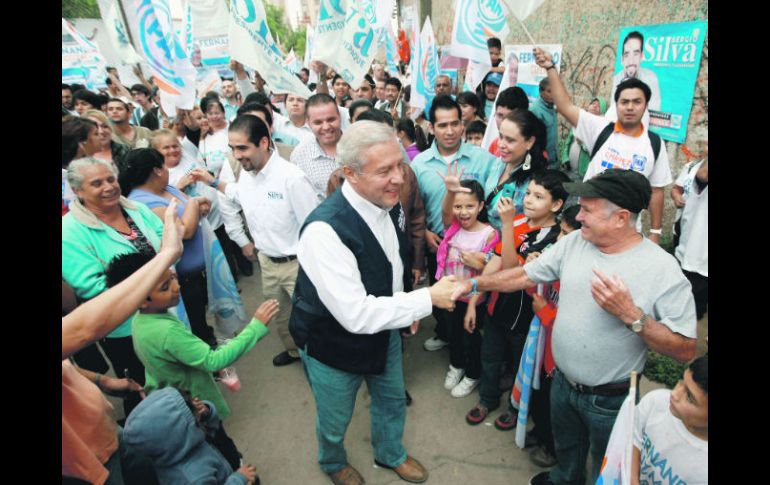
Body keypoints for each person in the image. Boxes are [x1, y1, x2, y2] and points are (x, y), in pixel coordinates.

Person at [450, 169, 697, 485]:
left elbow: (684, 349)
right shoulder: (576, 243)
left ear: (621, 218)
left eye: (588, 209)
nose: (578, 215)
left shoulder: (662, 270)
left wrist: (632, 316)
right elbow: (524, 275)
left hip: (609, 400)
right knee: (566, 451)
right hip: (561, 383)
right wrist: (472, 284)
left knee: (606, 468)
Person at [288, 121, 458, 484]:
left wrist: (403, 309)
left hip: (385, 332)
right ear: (349, 173)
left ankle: (390, 453)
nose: (399, 178)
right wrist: (424, 300)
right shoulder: (324, 231)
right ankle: (333, 462)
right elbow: (355, 314)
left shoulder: (385, 202)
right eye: (385, 171)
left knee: (392, 399)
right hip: (332, 344)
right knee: (335, 418)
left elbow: (391, 261)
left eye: (400, 165)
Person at [104, 250, 279, 471]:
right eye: (164, 288)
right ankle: (238, 473)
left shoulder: (141, 321)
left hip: (176, 399)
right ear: (140, 301)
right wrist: (256, 327)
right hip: (196, 406)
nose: (176, 287)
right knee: (219, 445)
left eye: (172, 278)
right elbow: (213, 360)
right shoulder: (165, 331)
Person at [63, 201, 183, 485]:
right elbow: (83, 327)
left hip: (103, 433)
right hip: (84, 464)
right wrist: (165, 256)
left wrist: (104, 382)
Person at [193, 114, 322, 367]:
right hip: (268, 264)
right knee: (281, 317)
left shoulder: (291, 178)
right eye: (232, 148)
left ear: (263, 143)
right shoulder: (247, 175)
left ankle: (321, 362)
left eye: (242, 148)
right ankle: (295, 353)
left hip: (298, 266)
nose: (237, 155)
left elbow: (314, 226)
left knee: (312, 318)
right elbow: (237, 194)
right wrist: (214, 182)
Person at [534, 47, 671, 245]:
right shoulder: (600, 129)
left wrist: (656, 231)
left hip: (626, 233)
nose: (630, 107)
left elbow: (657, 191)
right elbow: (565, 106)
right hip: (588, 224)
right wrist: (551, 68)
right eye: (624, 102)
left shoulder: (654, 144)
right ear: (617, 105)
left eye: (636, 102)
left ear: (646, 105)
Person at [62, 157, 165, 416]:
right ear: (77, 191)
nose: (108, 187)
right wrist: (152, 281)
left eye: (110, 179)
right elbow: (94, 287)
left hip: (166, 310)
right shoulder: (69, 232)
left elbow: (165, 240)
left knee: (174, 371)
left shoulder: (136, 209)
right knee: (144, 391)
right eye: (96, 183)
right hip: (125, 328)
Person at [465, 170, 567, 431]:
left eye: (539, 196)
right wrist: (475, 298)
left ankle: (515, 407)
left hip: (526, 318)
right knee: (490, 357)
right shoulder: (520, 220)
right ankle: (487, 399)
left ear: (556, 205)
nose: (529, 200)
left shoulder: (555, 238)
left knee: (521, 365)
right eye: (529, 193)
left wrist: (507, 225)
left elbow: (513, 270)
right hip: (497, 308)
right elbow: (497, 262)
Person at [410, 95, 498, 352]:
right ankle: (446, 334)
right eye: (442, 125)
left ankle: (465, 350)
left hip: (474, 246)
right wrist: (424, 231)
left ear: (463, 124)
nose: (449, 131)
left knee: (471, 300)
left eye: (454, 124)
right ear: (431, 127)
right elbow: (415, 206)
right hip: (438, 243)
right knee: (442, 299)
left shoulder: (482, 159)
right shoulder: (419, 164)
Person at [120, 147, 219, 347]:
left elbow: (188, 213)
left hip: (198, 270)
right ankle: (210, 365)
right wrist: (194, 204)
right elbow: (185, 231)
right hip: (182, 278)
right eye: (164, 165)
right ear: (157, 170)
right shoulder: (141, 202)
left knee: (201, 318)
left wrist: (199, 207)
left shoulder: (167, 188)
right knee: (194, 327)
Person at [522, 203, 582, 468]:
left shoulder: (582, 278)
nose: (559, 240)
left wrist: (545, 313)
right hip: (544, 353)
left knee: (560, 414)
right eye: (561, 232)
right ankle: (543, 433)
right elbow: (533, 295)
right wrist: (533, 272)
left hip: (562, 362)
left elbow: (577, 329)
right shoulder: (558, 260)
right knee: (541, 399)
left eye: (567, 235)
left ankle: (553, 449)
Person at [436, 175, 499, 398]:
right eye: (458, 206)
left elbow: (488, 271)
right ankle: (456, 365)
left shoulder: (490, 234)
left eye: (470, 206)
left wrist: (473, 303)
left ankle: (473, 374)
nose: (463, 212)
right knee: (453, 332)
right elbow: (444, 212)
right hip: (450, 294)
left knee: (472, 336)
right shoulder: (452, 228)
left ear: (481, 206)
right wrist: (450, 190)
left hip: (474, 298)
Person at [123, 387, 260, 485]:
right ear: (176, 433)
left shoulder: (178, 444)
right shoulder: (192, 477)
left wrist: (206, 413)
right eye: (191, 411)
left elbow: (212, 430)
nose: (196, 406)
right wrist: (239, 478)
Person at [630, 355, 708, 484]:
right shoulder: (656, 403)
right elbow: (633, 439)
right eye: (682, 381)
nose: (674, 394)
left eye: (689, 397)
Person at [484, 110, 548, 231]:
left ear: (529, 142)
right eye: (501, 136)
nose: (501, 144)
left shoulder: (536, 182)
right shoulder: (496, 163)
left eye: (510, 140)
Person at [291, 93, 344, 199]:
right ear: (308, 123)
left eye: (331, 120)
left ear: (340, 117)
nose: (326, 127)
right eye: (318, 122)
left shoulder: (359, 145)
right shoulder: (299, 155)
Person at [674, 157, 707, 320]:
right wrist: (676, 196)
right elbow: (677, 188)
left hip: (702, 254)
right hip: (685, 241)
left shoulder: (702, 170)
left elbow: (703, 177)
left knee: (694, 310)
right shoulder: (691, 166)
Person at [607, 31, 662, 122]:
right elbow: (613, 109)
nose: (631, 60)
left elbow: (654, 112)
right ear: (622, 59)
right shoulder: (618, 78)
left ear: (642, 56)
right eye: (627, 54)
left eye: (636, 54)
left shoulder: (651, 78)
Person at [560, 97, 608, 180]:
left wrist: (582, 143)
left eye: (598, 106)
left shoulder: (601, 130)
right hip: (569, 170)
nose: (594, 106)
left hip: (584, 174)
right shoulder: (578, 122)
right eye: (593, 104)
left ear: (602, 111)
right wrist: (565, 158)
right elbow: (567, 142)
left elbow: (596, 151)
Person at [83, 109, 131, 174]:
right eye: (95, 128)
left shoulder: (126, 151)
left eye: (105, 126)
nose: (101, 131)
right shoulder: (77, 155)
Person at [487, 86, 530, 157]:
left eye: (510, 117)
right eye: (500, 115)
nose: (504, 122)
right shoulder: (494, 144)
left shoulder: (535, 153)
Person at [529, 78, 558, 167]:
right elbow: (532, 139)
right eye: (549, 91)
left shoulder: (552, 108)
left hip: (553, 159)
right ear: (541, 92)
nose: (553, 94)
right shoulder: (535, 110)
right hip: (541, 161)